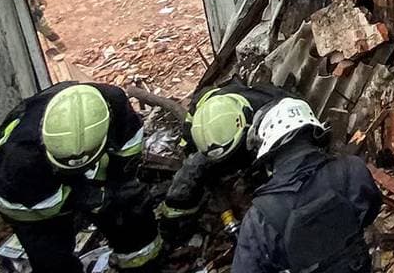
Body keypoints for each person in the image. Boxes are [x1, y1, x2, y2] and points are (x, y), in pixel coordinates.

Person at [0, 81, 161, 273]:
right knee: (52, 257)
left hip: (82, 174)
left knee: (129, 206)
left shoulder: (114, 102)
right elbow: (49, 208)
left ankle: (141, 263)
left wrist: (118, 184)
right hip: (29, 204)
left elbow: (130, 147)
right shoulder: (19, 159)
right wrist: (94, 198)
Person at [230, 98, 379, 273]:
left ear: (267, 153)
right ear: (313, 133)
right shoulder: (351, 170)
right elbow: (370, 210)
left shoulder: (258, 218)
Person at [156, 80, 295, 232]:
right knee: (190, 175)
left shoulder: (276, 109)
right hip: (222, 145)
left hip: (259, 144)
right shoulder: (198, 122)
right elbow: (189, 151)